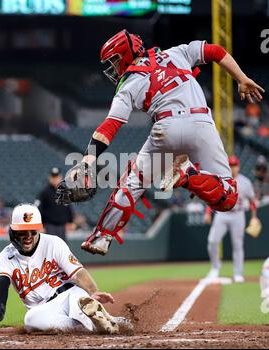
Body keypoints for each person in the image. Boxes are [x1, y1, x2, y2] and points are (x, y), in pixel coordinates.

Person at [56, 29, 264, 256]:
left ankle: (102, 236)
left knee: (132, 183)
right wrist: (241, 78)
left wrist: (89, 158)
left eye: (114, 60)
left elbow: (110, 126)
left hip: (166, 128)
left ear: (127, 53)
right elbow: (215, 51)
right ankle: (186, 177)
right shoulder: (177, 53)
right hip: (202, 123)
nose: (113, 68)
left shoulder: (129, 83)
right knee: (228, 198)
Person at [0, 203, 132, 334]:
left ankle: (104, 321)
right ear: (13, 231)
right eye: (23, 231)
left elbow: (77, 272)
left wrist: (93, 291)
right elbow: (0, 283)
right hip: (44, 309)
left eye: (33, 231)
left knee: (82, 305)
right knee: (31, 320)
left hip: (71, 294)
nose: (28, 236)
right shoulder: (3, 258)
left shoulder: (53, 243)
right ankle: (99, 324)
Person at [204, 156, 259, 283]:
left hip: (238, 215)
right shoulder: (220, 180)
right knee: (212, 241)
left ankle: (238, 273)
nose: (233, 168)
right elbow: (211, 198)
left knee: (238, 245)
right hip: (221, 214)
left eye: (235, 165)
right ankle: (215, 269)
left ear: (238, 167)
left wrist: (254, 217)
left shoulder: (245, 182)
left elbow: (252, 201)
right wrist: (208, 213)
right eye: (230, 165)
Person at [37, 167, 74, 241]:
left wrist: (71, 221)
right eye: (53, 177)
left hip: (62, 227)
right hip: (49, 226)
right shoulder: (44, 193)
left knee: (62, 249)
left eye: (57, 176)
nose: (55, 179)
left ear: (61, 177)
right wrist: (40, 226)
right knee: (50, 248)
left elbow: (68, 208)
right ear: (49, 177)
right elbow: (38, 210)